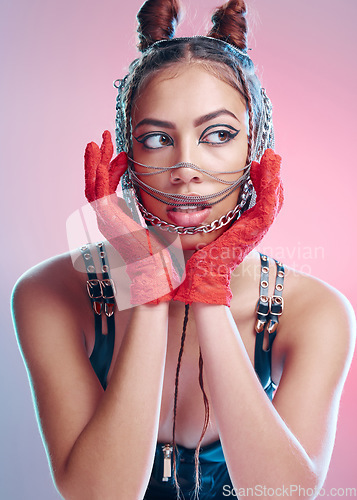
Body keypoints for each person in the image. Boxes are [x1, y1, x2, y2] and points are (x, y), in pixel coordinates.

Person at [11, 0, 355, 499]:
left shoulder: (316, 312)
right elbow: (97, 495)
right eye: (156, 138)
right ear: (125, 156)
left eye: (217, 134)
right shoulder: (48, 294)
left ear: (255, 150)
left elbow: (280, 496)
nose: (186, 168)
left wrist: (209, 290)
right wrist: (149, 283)